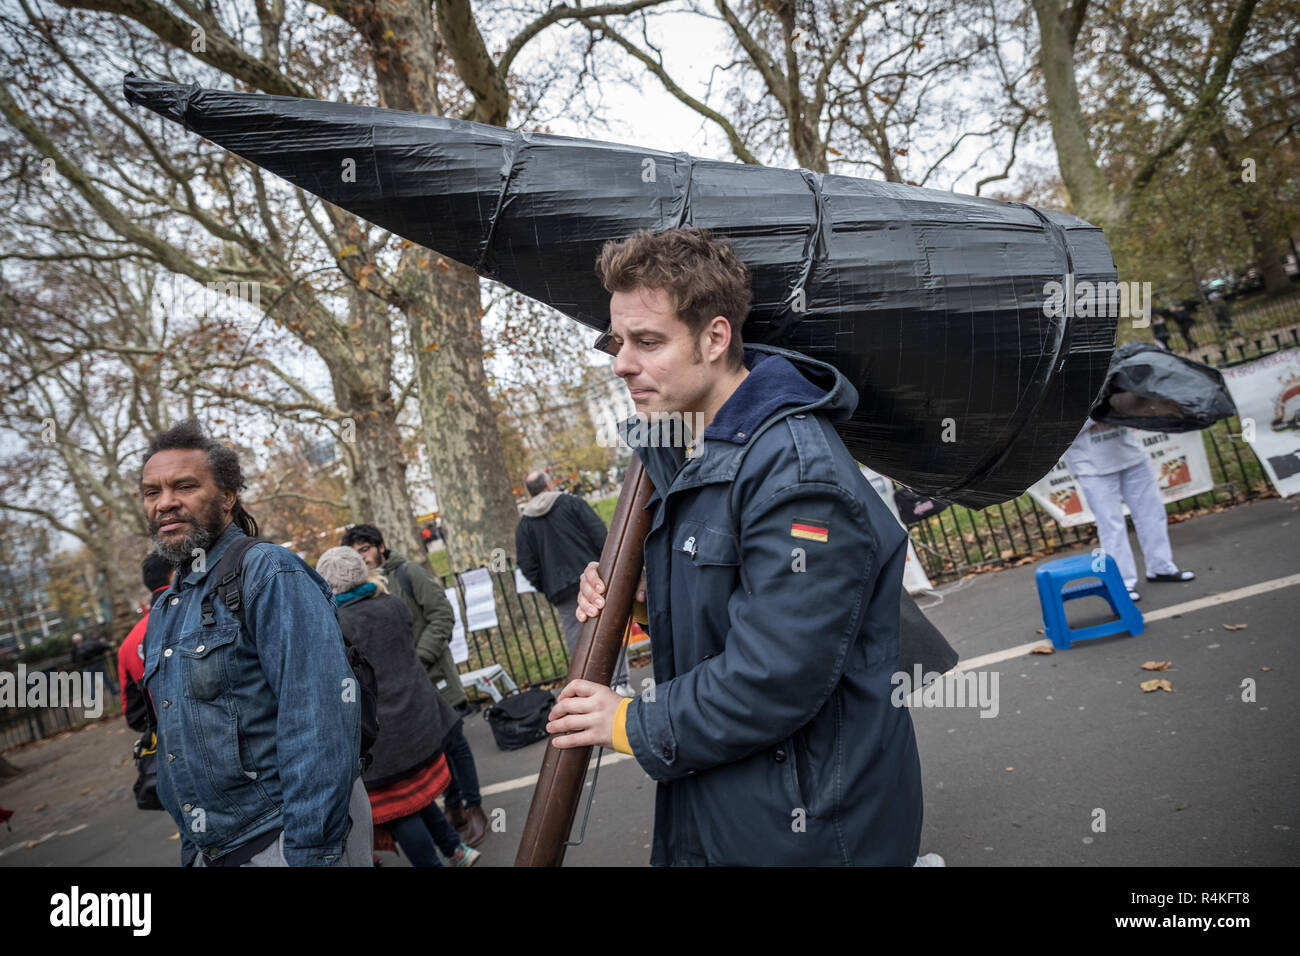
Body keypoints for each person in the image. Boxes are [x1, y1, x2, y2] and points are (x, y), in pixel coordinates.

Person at [551, 227, 925, 865]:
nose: (620, 363)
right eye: (618, 341)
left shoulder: (796, 473)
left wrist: (625, 722)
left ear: (715, 337)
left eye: (647, 341)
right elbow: (729, 605)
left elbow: (778, 673)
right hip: (730, 800)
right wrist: (642, 601)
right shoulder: (683, 453)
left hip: (810, 825)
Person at [140, 419, 370, 867]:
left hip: (288, 839)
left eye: (184, 486)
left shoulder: (269, 571)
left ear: (227, 496)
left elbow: (318, 719)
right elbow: (175, 744)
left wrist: (307, 852)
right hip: (218, 850)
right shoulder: (168, 607)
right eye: (152, 492)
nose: (165, 503)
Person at [316, 547, 480, 867]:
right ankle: (456, 850)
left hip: (379, 737)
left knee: (399, 812)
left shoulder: (334, 624)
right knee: (416, 797)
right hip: (417, 720)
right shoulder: (391, 604)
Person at [515, 469, 633, 696]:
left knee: (575, 636)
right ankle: (621, 683)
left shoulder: (525, 524)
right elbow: (601, 535)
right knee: (609, 626)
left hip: (560, 588)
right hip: (593, 578)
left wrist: (546, 586)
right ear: (549, 485)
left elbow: (527, 564)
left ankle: (591, 687)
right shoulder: (571, 503)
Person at [1063, 418, 1195, 601]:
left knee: (1152, 513)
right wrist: (1098, 412)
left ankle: (1161, 567)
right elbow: (1062, 428)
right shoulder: (1059, 394)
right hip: (1091, 465)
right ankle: (1122, 582)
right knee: (1111, 524)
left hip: (1130, 454)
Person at [117, 553, 174, 732]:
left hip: (166, 740)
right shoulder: (201, 612)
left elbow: (133, 714)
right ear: (174, 575)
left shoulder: (127, 645)